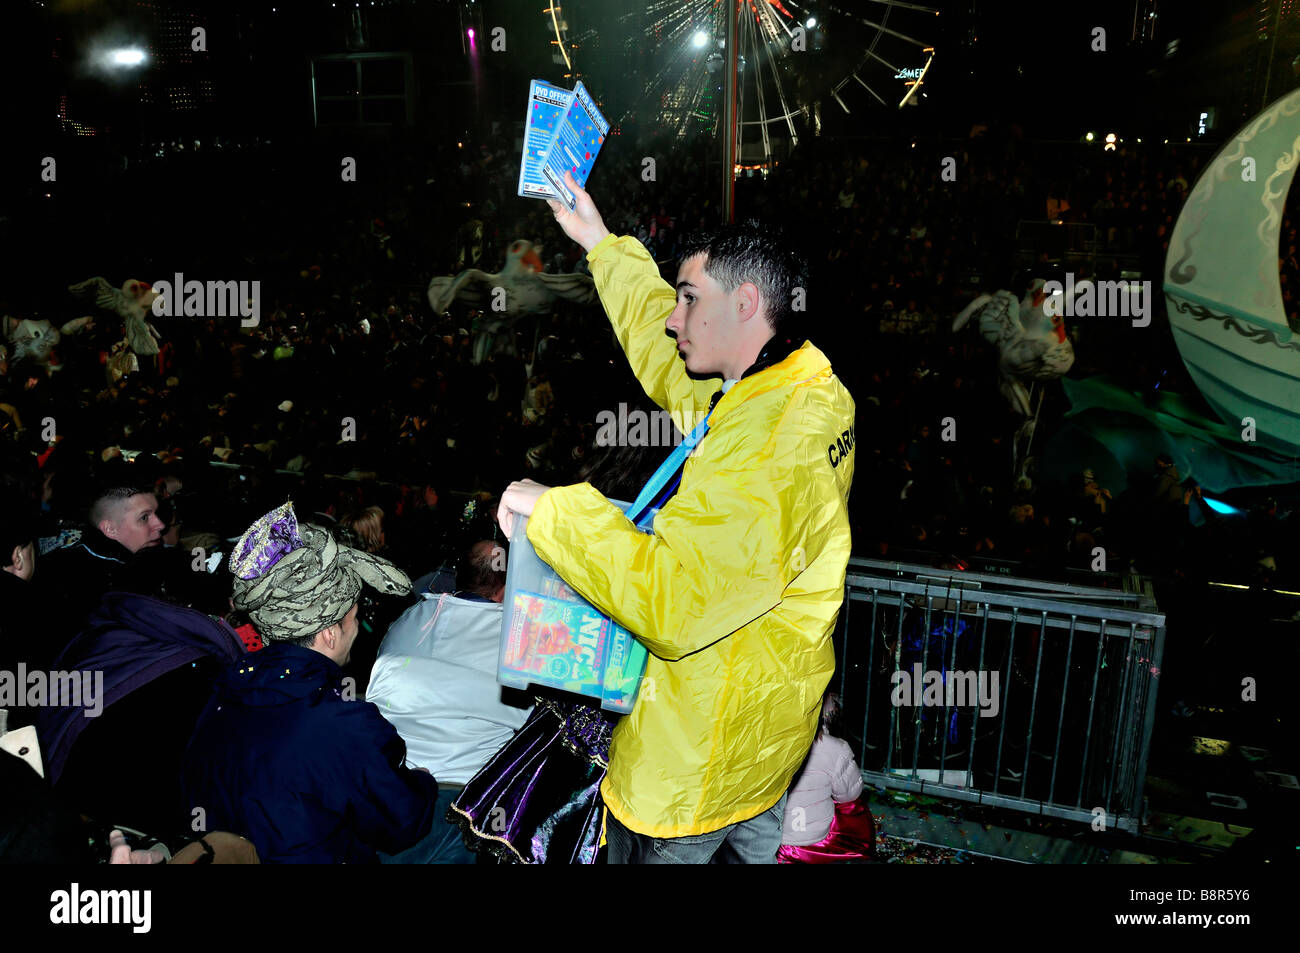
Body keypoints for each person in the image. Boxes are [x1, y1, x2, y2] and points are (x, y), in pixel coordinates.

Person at [497, 170, 857, 863]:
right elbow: (669, 356)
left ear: (746, 303)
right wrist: (601, 243)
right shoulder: (796, 385)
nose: (672, 314)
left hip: (696, 769)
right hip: (766, 740)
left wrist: (558, 512)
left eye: (689, 298)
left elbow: (675, 600)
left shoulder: (768, 447)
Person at [180, 502, 437, 864]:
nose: (358, 630)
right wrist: (423, 783)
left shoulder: (222, 693)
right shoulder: (344, 724)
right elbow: (402, 824)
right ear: (330, 633)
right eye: (354, 618)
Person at [365, 540, 531, 864]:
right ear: (507, 585)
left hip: (395, 795)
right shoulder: (519, 638)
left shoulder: (411, 618)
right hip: (468, 805)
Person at [777, 693, 875, 864]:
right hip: (815, 842)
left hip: (774, 841)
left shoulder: (771, 745)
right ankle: (854, 849)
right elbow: (849, 795)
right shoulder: (836, 748)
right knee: (853, 805)